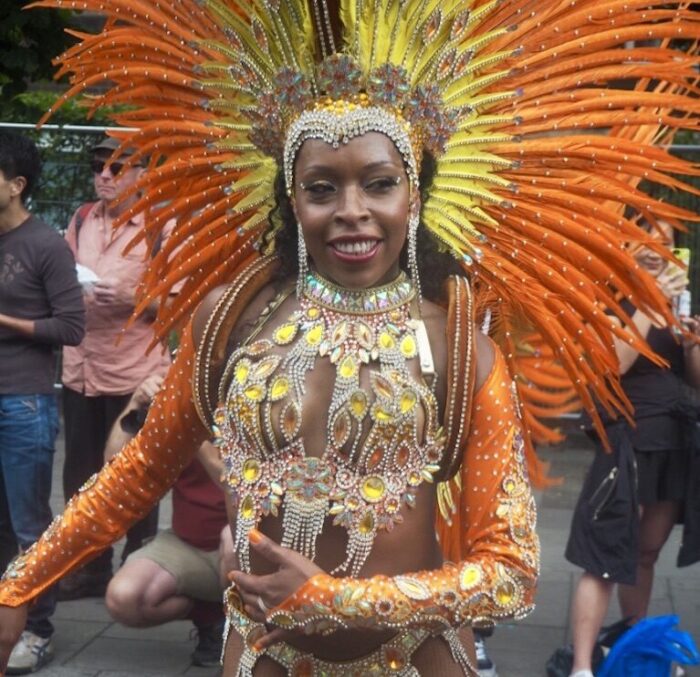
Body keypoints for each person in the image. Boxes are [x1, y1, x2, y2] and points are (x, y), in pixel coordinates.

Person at [0, 1, 699, 675]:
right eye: (322, 188)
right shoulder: (229, 319)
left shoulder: (461, 349)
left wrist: (332, 599)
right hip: (262, 658)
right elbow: (136, 475)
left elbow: (511, 572)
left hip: (414, 662)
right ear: (291, 198)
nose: (352, 211)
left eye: (379, 183)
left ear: (414, 195)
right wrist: (18, 583)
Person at [565, 220, 700, 677]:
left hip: (672, 440)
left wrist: (694, 345)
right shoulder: (608, 297)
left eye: (664, 241)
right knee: (605, 554)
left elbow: (689, 377)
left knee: (646, 553)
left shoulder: (674, 300)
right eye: (646, 239)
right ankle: (583, 665)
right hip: (627, 438)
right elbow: (616, 364)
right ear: (624, 244)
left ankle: (638, 647)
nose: (656, 248)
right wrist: (644, 299)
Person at [58, 136, 173, 600]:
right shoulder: (82, 218)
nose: (104, 175)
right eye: (98, 166)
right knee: (79, 474)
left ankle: (136, 560)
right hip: (80, 367)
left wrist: (134, 300)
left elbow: (183, 301)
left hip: (134, 373)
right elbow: (58, 274)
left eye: (118, 167)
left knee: (131, 473)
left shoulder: (161, 225)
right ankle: (89, 566)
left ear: (143, 173)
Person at [0, 131, 85, 674]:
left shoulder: (46, 244)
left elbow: (72, 327)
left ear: (15, 186)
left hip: (24, 403)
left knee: (30, 525)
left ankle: (38, 628)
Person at [101, 374, 228, 668]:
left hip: (246, 547)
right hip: (188, 544)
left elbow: (234, 483)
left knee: (232, 543)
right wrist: (137, 402)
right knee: (123, 598)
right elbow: (113, 466)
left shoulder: (258, 393)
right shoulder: (183, 389)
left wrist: (192, 428)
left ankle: (238, 635)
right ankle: (210, 616)